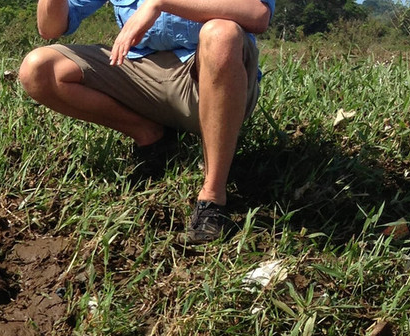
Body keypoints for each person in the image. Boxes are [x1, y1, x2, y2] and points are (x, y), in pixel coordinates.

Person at [19, 0, 275, 243]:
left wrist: (160, 3)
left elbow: (257, 14)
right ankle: (150, 135)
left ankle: (213, 198)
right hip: (142, 70)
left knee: (222, 34)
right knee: (39, 69)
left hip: (210, 78)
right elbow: (50, 28)